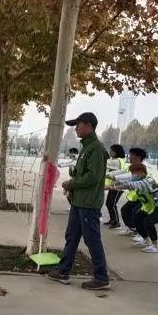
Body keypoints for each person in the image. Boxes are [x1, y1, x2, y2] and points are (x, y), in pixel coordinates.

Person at [47, 112, 110, 290]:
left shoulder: (96, 149)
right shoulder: (86, 147)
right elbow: (84, 173)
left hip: (88, 203)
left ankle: (101, 277)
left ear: (89, 125)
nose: (76, 128)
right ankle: (63, 271)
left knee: (92, 240)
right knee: (72, 237)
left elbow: (93, 177)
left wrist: (72, 183)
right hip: (79, 201)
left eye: (78, 125)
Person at [112, 163, 158, 253]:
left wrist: (112, 187)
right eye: (132, 173)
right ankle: (146, 241)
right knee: (137, 219)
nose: (133, 175)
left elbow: (132, 185)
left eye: (134, 173)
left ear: (141, 172)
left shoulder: (149, 180)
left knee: (148, 222)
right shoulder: (139, 179)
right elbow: (128, 183)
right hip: (151, 206)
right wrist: (115, 183)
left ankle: (155, 246)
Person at [107, 147, 147, 237]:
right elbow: (122, 172)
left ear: (138, 157)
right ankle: (133, 229)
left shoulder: (143, 167)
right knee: (126, 210)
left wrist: (115, 179)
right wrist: (108, 175)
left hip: (147, 196)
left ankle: (142, 234)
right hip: (138, 195)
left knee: (137, 214)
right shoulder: (132, 166)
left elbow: (130, 176)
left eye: (131, 155)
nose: (129, 157)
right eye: (129, 155)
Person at [104, 144, 127, 228]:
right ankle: (112, 220)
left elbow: (105, 163)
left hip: (118, 186)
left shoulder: (117, 161)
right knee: (109, 203)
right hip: (113, 185)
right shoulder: (116, 160)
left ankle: (116, 222)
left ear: (116, 152)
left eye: (111, 150)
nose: (110, 152)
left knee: (112, 204)